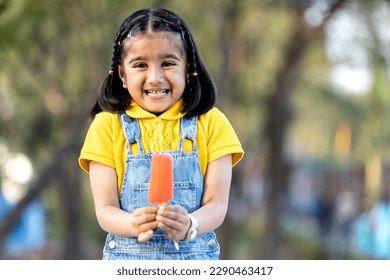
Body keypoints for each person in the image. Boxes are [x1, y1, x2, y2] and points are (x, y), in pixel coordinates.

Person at [78, 7, 244, 260]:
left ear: (188, 68)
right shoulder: (106, 127)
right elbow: (105, 210)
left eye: (167, 63)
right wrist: (134, 223)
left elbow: (217, 204)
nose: (155, 77)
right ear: (123, 74)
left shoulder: (213, 124)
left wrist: (190, 225)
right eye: (140, 65)